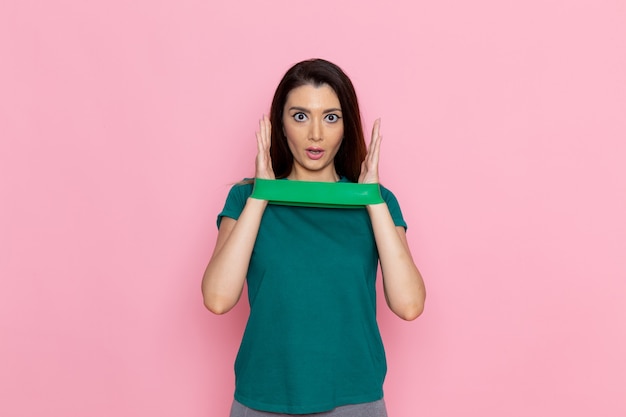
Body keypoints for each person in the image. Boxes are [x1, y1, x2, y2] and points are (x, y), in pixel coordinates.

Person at [202, 58, 426, 417]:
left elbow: (409, 305)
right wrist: (262, 194)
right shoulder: (245, 200)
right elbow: (217, 298)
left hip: (355, 401)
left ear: (347, 126)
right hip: (263, 400)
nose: (316, 135)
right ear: (281, 124)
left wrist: (371, 200)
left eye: (331, 117)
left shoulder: (377, 204)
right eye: (301, 116)